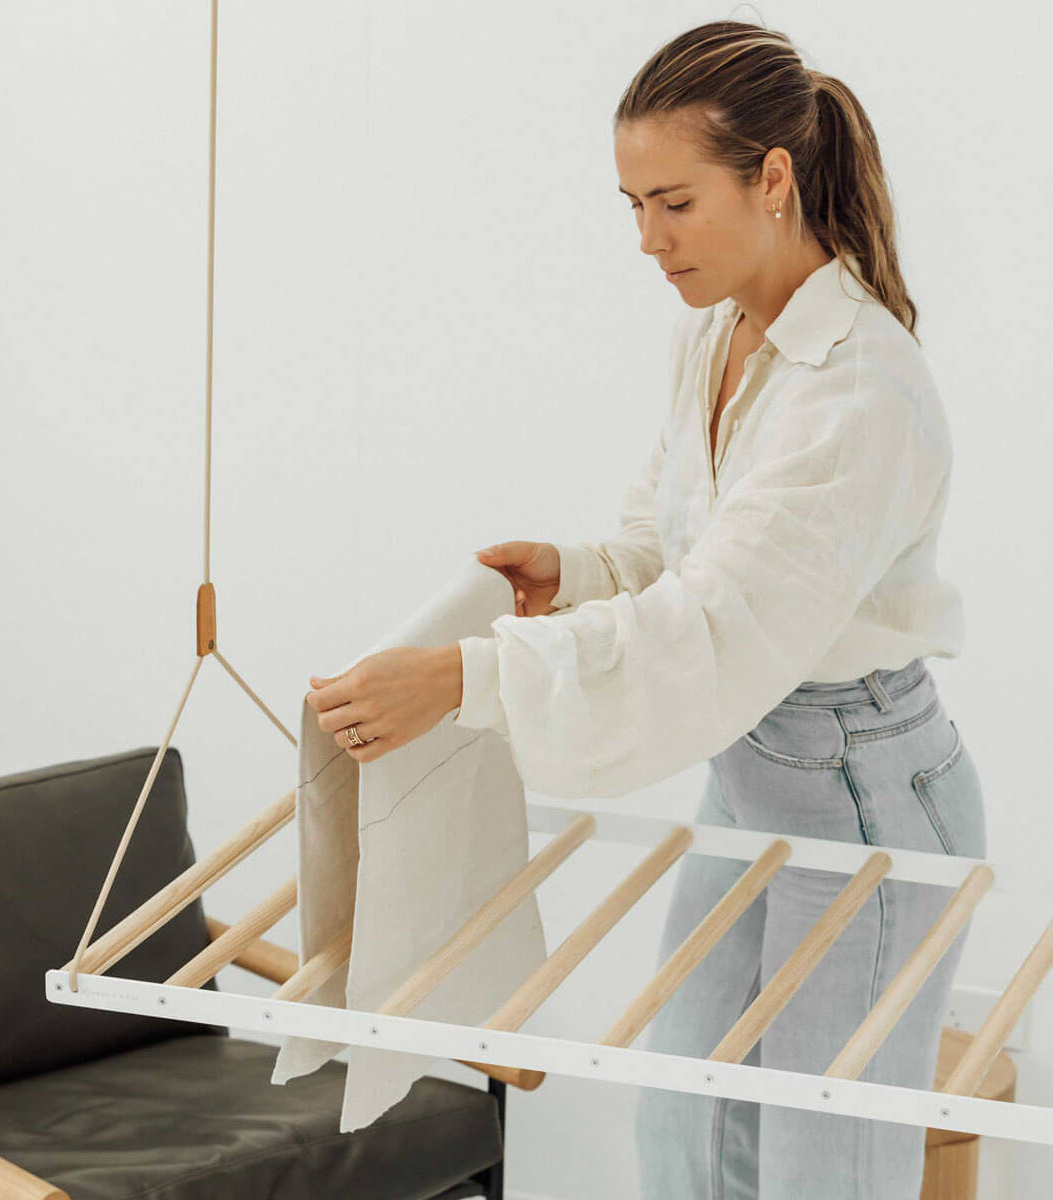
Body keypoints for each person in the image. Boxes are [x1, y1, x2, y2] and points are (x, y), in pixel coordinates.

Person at [304, 17, 984, 1198]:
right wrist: (574, 573)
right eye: (632, 205)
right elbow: (676, 548)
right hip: (754, 770)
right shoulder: (717, 336)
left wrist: (469, 678)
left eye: (673, 203)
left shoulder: (860, 394)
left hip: (864, 795)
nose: (646, 240)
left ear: (773, 180)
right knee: (683, 1130)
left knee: (823, 1171)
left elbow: (713, 626)